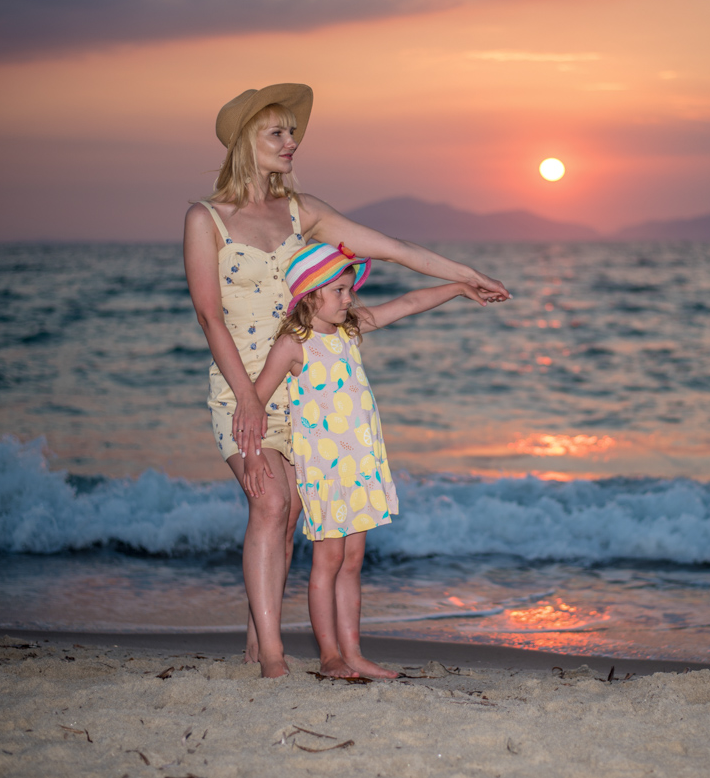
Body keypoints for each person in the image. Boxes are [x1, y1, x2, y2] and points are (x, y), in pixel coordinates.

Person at [182, 83, 509, 678]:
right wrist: (249, 400)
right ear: (245, 144)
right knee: (271, 501)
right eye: (277, 133)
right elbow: (209, 315)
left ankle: (258, 642)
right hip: (242, 388)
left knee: (285, 525)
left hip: (304, 390)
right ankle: (276, 662)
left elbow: (392, 249)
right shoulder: (206, 218)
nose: (292, 141)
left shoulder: (299, 211)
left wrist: (465, 275)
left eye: (292, 131)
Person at [248, 242, 491, 678]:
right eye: (339, 291)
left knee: (354, 561)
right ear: (309, 295)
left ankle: (354, 652)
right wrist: (251, 456)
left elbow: (410, 302)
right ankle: (330, 657)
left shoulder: (350, 327)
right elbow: (256, 402)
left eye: (349, 291)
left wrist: (458, 287)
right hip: (325, 473)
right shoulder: (294, 344)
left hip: (361, 467)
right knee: (327, 562)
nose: (349, 299)